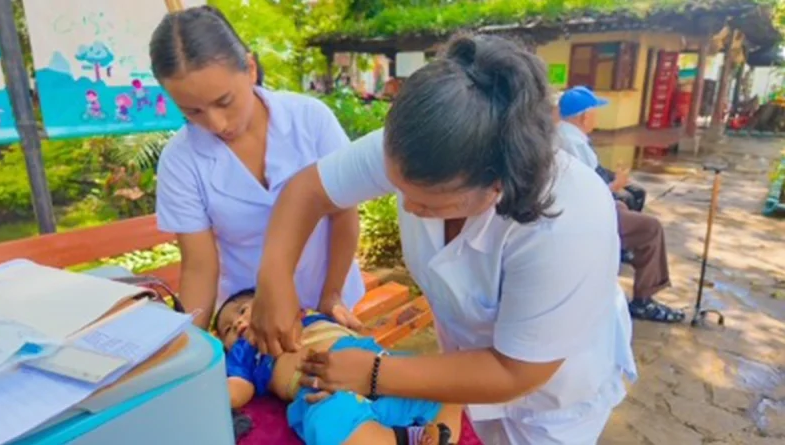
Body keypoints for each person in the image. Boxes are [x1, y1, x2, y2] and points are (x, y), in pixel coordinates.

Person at [249, 34, 637, 444]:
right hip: (469, 366)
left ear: (496, 187)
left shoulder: (568, 223)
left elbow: (517, 371)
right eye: (401, 190)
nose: (411, 209)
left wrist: (373, 372)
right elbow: (307, 191)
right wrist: (274, 279)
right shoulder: (422, 149)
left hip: (552, 402)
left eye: (431, 204)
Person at [149, 5, 365, 329]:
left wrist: (331, 296)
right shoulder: (181, 160)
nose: (216, 123)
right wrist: (192, 349)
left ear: (249, 68)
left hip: (329, 295)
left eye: (224, 102)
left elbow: (344, 213)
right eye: (192, 111)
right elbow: (199, 267)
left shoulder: (310, 119)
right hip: (249, 313)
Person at [215, 289, 461, 445]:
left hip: (377, 364)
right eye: (228, 330)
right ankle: (403, 439)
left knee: (440, 382)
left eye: (243, 310)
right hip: (325, 389)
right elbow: (237, 391)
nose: (237, 323)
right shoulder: (246, 352)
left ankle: (442, 434)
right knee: (328, 421)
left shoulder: (302, 317)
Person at [556, 87, 685, 323]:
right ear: (585, 116)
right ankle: (643, 300)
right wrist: (617, 184)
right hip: (580, 217)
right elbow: (588, 194)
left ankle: (623, 251)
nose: (596, 117)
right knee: (651, 227)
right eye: (594, 112)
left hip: (573, 210)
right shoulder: (574, 144)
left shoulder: (561, 136)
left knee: (626, 205)